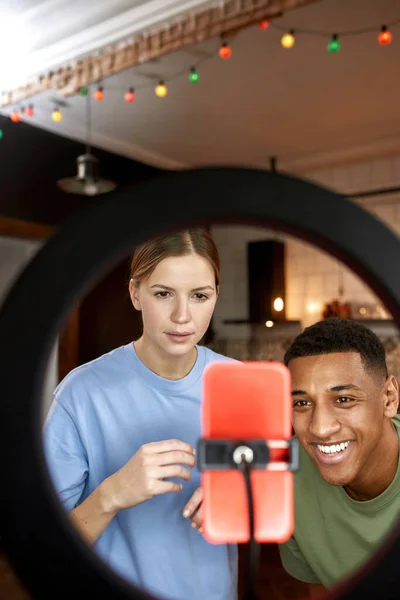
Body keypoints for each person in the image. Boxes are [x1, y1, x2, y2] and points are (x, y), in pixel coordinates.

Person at [42, 228, 238, 600]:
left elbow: (272, 501)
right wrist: (112, 494)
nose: (183, 316)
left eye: (199, 296)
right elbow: (44, 544)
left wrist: (240, 499)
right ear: (135, 293)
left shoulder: (241, 383)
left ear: (215, 296)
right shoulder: (81, 393)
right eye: (163, 293)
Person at [279, 318, 400, 597]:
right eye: (302, 403)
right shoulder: (285, 476)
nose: (320, 428)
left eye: (344, 399)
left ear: (389, 398)